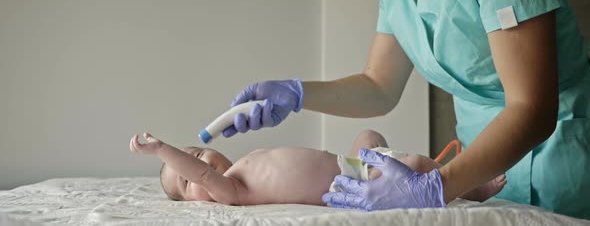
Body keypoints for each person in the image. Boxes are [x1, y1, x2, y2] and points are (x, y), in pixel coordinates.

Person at [219, 0, 590, 219]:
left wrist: (436, 186)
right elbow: (379, 85)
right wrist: (298, 94)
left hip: (559, 162)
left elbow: (531, 109)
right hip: (479, 170)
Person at [129, 130, 505, 205]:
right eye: (187, 178)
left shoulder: (245, 163)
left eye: (196, 155)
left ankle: (375, 149)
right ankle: (473, 189)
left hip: (349, 165)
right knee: (421, 165)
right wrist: (162, 150)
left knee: (367, 134)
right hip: (352, 185)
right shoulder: (231, 192)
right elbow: (205, 176)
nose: (199, 166)